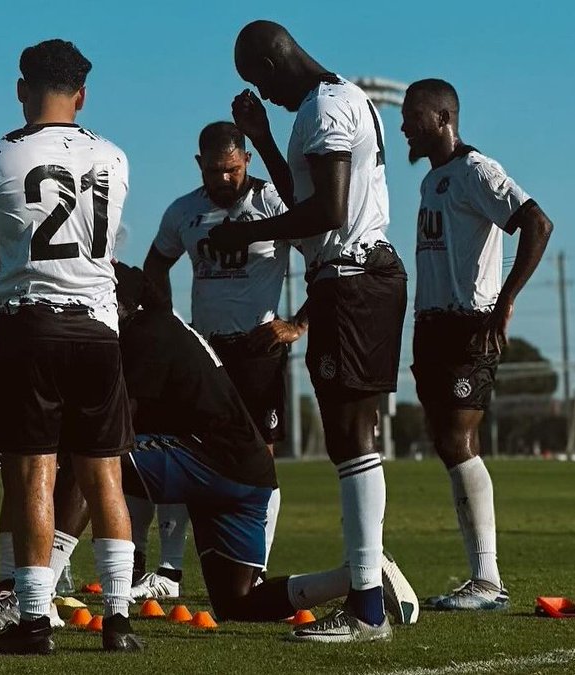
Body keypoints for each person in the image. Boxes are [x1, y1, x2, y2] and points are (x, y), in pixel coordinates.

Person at [53, 264, 419, 643]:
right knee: (238, 602)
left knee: (92, 458)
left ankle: (36, 591)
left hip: (215, 461)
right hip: (245, 472)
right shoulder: (159, 326)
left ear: (116, 305)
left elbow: (111, 430)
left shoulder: (144, 335)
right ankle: (362, 575)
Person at [210, 20, 409, 641]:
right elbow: (308, 201)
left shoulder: (325, 107)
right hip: (360, 275)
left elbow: (328, 210)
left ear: (272, 65)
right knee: (354, 436)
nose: (262, 96)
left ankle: (367, 604)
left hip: (351, 279)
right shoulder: (345, 100)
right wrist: (266, 140)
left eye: (259, 84)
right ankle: (369, 587)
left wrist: (243, 232)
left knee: (351, 437)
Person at [0, 39, 142, 655]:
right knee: (104, 476)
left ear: (20, 89)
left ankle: (33, 620)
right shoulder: (114, 157)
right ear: (82, 94)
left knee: (33, 470)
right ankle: (118, 620)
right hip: (98, 326)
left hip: (30, 324)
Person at [401, 78, 553, 611]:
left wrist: (506, 299)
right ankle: (479, 577)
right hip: (433, 328)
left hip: (470, 324)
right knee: (447, 442)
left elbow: (536, 222)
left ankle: (488, 580)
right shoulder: (431, 182)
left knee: (457, 439)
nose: (403, 126)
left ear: (442, 119)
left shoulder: (476, 171)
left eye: (412, 115)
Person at [139, 120, 296, 598]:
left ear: (246, 159)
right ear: (198, 166)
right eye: (213, 171)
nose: (224, 180)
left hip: (259, 349)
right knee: (181, 450)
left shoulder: (275, 204)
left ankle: (256, 568)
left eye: (231, 169)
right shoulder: (183, 211)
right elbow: (155, 265)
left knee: (260, 462)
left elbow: (324, 260)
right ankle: (168, 572)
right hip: (206, 355)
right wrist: (168, 327)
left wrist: (298, 323)